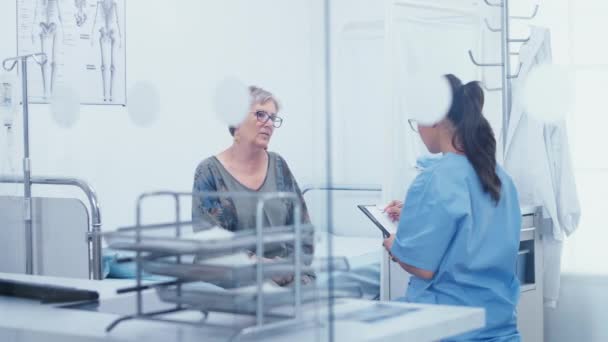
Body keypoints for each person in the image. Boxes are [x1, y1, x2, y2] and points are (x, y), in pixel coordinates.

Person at [382, 74, 522, 341]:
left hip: (449, 326)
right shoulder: (501, 178)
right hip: (499, 325)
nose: (419, 130)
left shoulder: (434, 178)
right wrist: (414, 214)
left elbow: (421, 267)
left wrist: (394, 245)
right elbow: (476, 228)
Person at [192, 85, 313, 286]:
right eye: (260, 114)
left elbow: (303, 231)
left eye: (273, 118)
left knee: (309, 301)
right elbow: (211, 243)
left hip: (286, 273)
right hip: (232, 274)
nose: (269, 124)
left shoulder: (279, 165)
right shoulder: (209, 171)